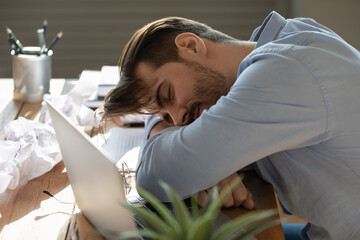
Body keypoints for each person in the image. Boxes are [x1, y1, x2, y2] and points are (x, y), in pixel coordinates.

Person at [101, 11, 360, 239]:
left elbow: (155, 177)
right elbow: (180, 160)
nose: (179, 119)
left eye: (167, 95)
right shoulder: (287, 40)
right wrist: (206, 164)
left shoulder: (282, 73)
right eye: (167, 116)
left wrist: (195, 161)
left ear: (191, 45)